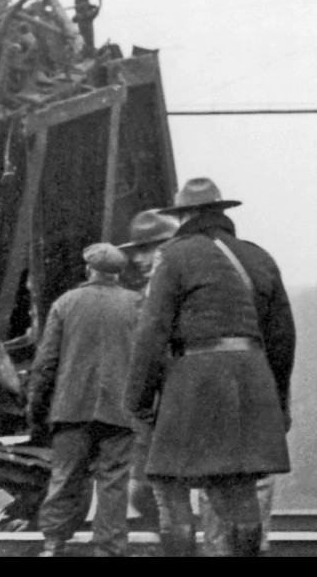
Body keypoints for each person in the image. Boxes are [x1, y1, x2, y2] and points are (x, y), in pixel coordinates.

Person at [126, 177, 293, 557]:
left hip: (193, 381)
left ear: (185, 214)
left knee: (170, 486)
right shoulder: (259, 257)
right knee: (240, 490)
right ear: (221, 212)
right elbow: (283, 339)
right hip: (252, 382)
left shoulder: (175, 256)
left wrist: (138, 399)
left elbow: (153, 332)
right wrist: (280, 402)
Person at [27, 243, 141, 557]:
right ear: (118, 274)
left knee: (64, 477)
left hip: (71, 408)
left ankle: (53, 544)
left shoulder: (65, 303)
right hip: (119, 411)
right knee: (113, 482)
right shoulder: (136, 304)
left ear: (88, 270)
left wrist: (36, 409)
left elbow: (45, 364)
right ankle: (109, 549)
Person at [117, 210, 179, 531]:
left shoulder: (173, 289)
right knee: (147, 490)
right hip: (153, 404)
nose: (138, 259)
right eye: (136, 251)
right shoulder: (147, 294)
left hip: (171, 401)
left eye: (147, 249)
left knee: (157, 490)